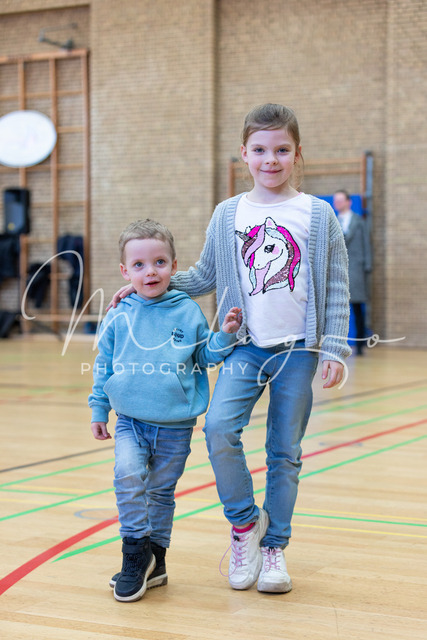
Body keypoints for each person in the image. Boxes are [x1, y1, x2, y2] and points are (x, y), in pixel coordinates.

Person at [109, 104, 351, 594]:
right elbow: (204, 275)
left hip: (298, 352)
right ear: (244, 153)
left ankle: (274, 547)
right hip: (245, 348)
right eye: (260, 150)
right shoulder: (228, 214)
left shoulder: (318, 213)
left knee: (284, 452)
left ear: (297, 154)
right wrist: (147, 283)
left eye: (281, 150)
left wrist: (333, 347)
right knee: (219, 429)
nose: (270, 159)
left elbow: (337, 284)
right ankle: (245, 526)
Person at [89, 219, 241, 602]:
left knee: (160, 493)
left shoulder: (187, 311)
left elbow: (204, 356)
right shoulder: (119, 312)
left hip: (175, 425)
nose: (150, 272)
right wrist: (98, 409)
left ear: (174, 266)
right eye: (139, 265)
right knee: (127, 476)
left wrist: (224, 335)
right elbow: (103, 364)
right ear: (125, 271)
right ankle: (134, 555)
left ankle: (156, 562)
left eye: (159, 262)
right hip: (130, 420)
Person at [333, 189, 372, 355]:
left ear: (348, 202)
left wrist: (367, 266)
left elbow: (366, 243)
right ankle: (335, 343)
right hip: (337, 269)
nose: (338, 203)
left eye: (341, 200)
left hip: (356, 268)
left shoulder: (358, 221)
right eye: (336, 201)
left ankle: (361, 344)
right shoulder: (333, 221)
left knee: (357, 307)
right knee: (336, 308)